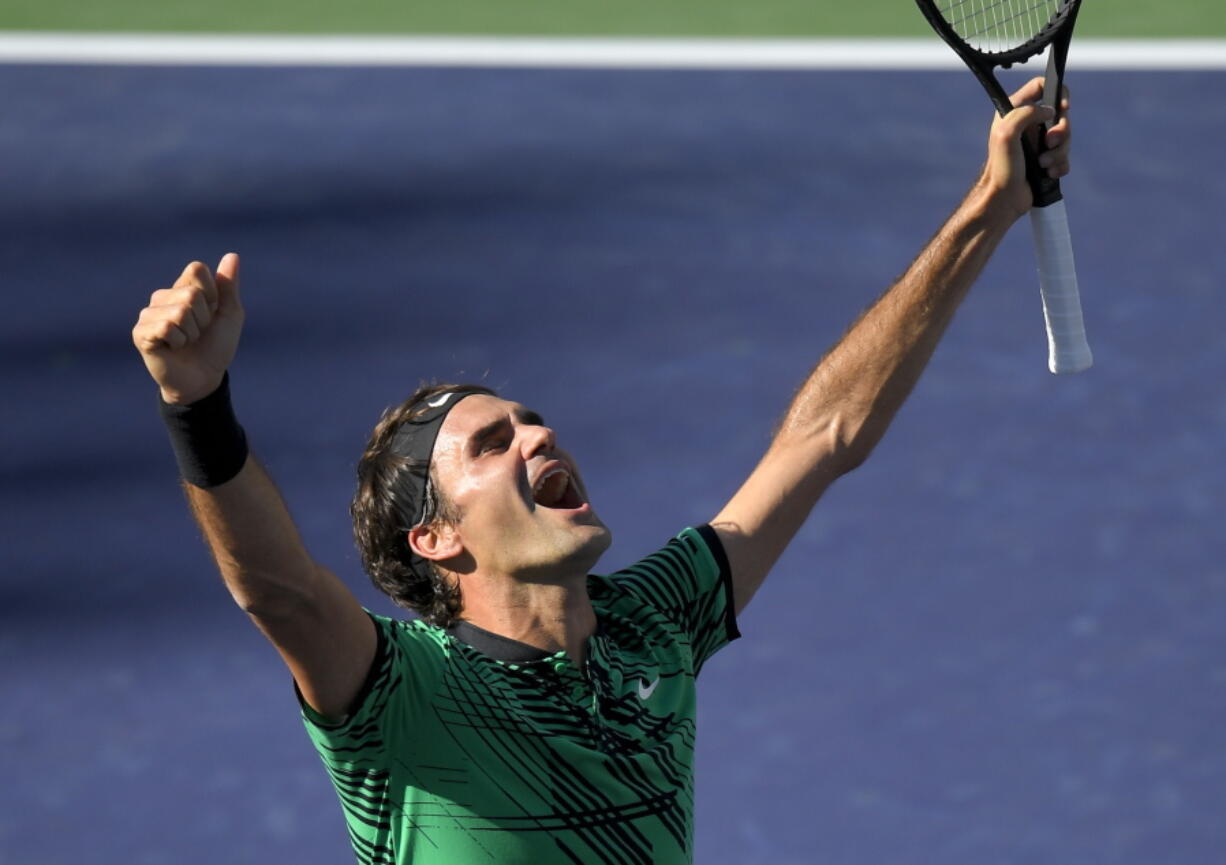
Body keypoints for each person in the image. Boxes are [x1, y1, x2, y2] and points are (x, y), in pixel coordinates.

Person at [131, 77, 1071, 865]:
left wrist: (987, 209)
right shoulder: (396, 692)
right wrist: (196, 404)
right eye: (492, 444)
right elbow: (281, 592)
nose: (539, 440)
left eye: (534, 425)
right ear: (435, 537)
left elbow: (823, 435)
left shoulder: (651, 623)